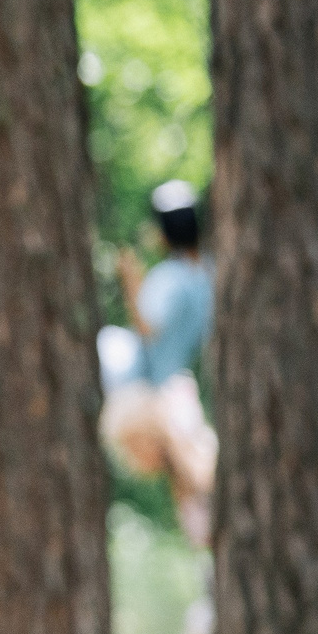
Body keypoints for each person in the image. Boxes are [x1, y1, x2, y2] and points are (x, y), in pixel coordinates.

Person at [98, 181, 218, 546]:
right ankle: (204, 536)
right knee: (185, 476)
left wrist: (131, 281)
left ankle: (204, 533)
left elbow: (148, 327)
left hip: (139, 385)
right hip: (174, 382)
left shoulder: (170, 277)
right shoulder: (210, 274)